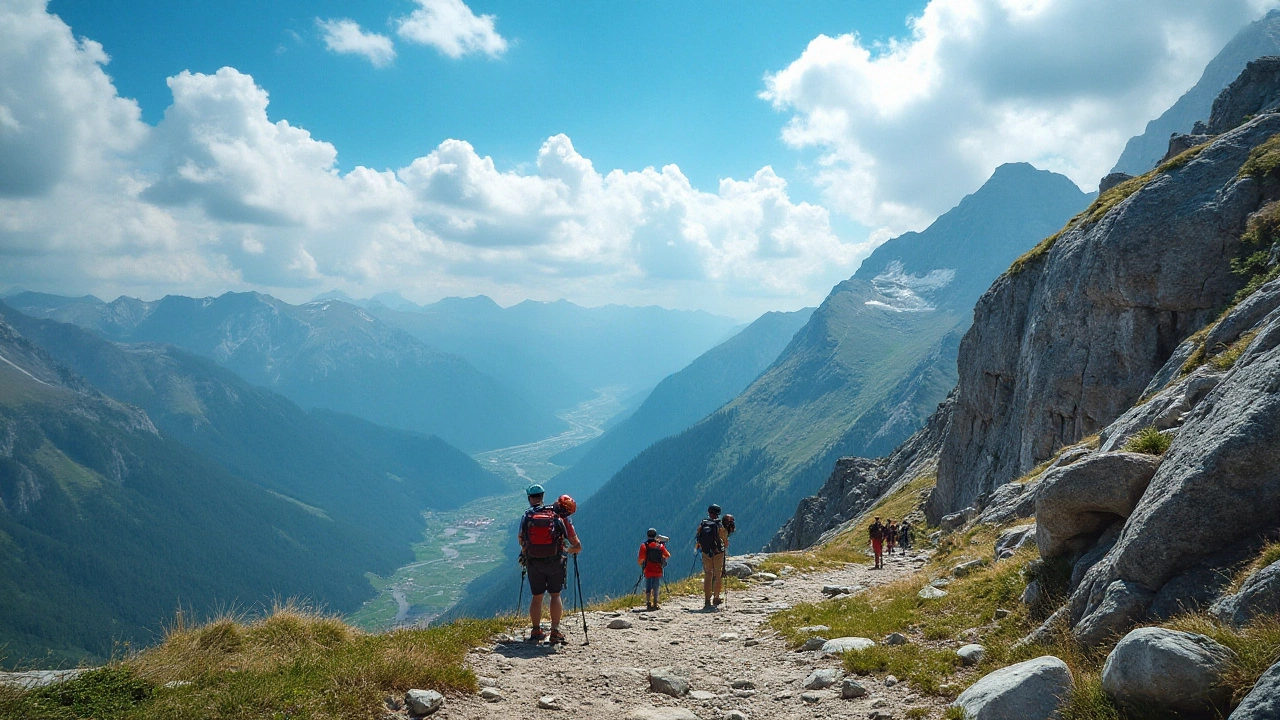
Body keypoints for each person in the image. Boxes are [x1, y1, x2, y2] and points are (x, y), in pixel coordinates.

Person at [519, 484, 581, 644]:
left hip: (534, 562)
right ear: (543, 496)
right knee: (555, 595)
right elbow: (577, 544)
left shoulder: (527, 516)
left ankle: (536, 630)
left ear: (529, 498)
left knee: (537, 597)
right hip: (556, 561)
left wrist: (529, 552)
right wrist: (568, 550)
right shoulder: (558, 516)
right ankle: (554, 631)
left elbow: (521, 539)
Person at [694, 504, 729, 610]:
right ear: (718, 513)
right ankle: (716, 597)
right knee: (718, 574)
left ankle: (707, 599)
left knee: (708, 575)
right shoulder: (719, 525)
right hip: (718, 552)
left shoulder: (703, 523)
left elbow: (698, 537)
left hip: (705, 552)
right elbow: (724, 539)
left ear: (709, 512)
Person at [638, 528, 671, 610]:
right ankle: (655, 603)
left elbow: (640, 559)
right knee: (656, 586)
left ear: (647, 535)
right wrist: (661, 558)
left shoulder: (644, 546)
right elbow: (667, 555)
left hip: (648, 570)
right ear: (655, 536)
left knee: (648, 586)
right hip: (658, 569)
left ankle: (648, 603)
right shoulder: (660, 546)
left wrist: (642, 565)